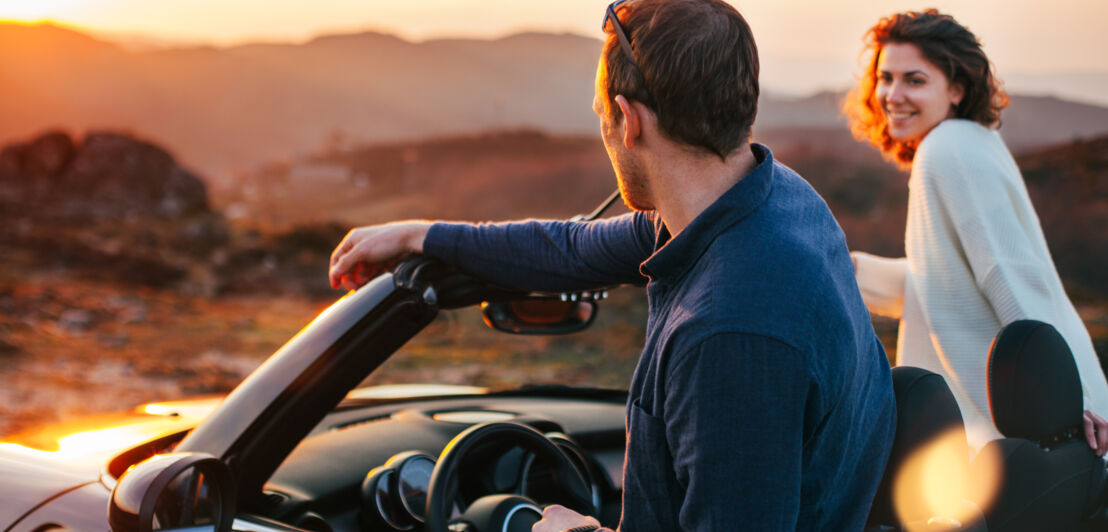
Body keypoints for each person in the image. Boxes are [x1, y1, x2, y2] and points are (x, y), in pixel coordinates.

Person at [330, 0, 895, 529]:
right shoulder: (774, 199)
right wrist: (424, 235)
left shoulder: (729, 334)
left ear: (629, 120)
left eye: (602, 114)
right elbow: (574, 249)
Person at [842, 9, 1108, 454]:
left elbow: (1007, 272)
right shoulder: (970, 142)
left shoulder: (948, 149)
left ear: (957, 89)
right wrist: (842, 269)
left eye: (915, 80)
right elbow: (945, 279)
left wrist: (1069, 401)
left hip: (1028, 433)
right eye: (885, 78)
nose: (892, 94)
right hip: (1017, 429)